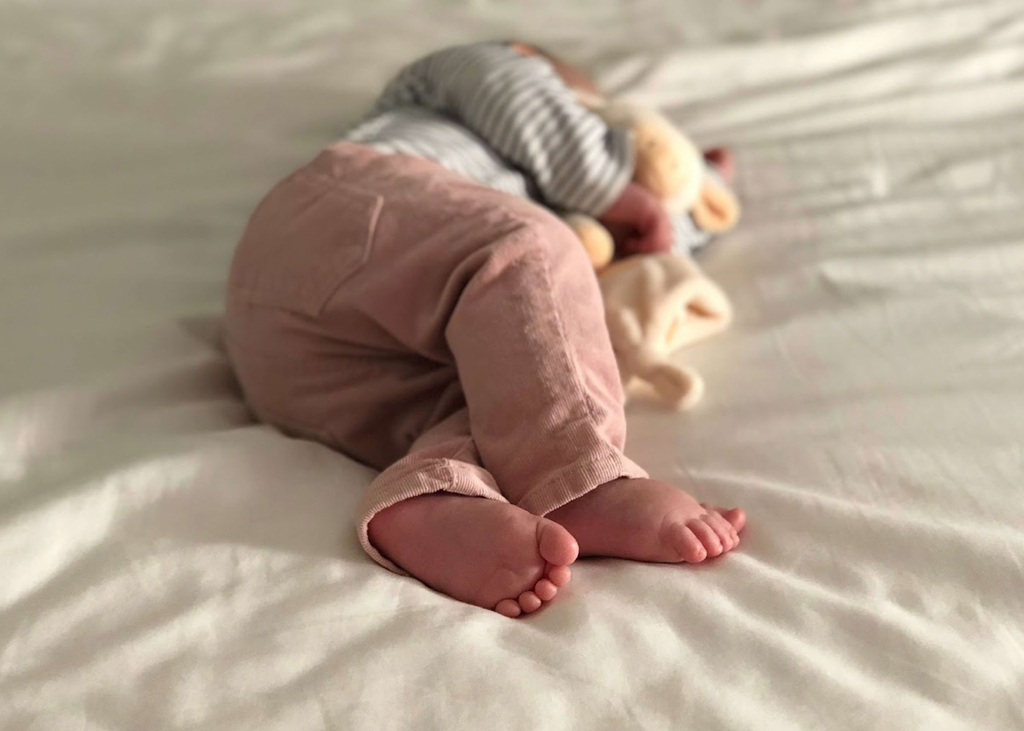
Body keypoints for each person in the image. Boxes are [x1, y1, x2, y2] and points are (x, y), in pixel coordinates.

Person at [223, 41, 746, 619]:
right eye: (589, 114)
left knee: (499, 397)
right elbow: (519, 102)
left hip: (300, 367)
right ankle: (577, 474)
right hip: (335, 216)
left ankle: (433, 498)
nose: (596, 133)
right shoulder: (462, 78)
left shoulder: (529, 199)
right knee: (530, 249)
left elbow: (649, 242)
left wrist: (697, 192)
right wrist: (623, 193)